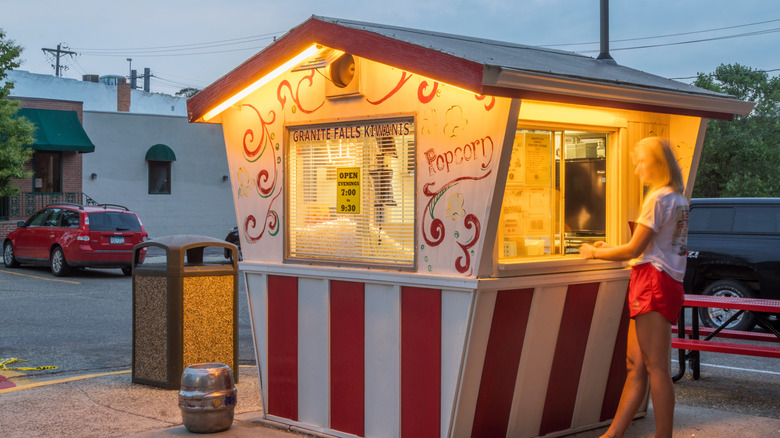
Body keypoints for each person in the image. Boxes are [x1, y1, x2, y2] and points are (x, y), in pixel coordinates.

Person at [580, 137, 689, 438]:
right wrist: (615, 247)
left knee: (655, 368)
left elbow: (634, 250)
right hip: (663, 282)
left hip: (652, 283)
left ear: (657, 163)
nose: (637, 168)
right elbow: (650, 248)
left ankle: (662, 435)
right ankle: (612, 434)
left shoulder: (658, 198)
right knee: (636, 365)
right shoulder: (678, 198)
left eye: (641, 162)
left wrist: (595, 252)